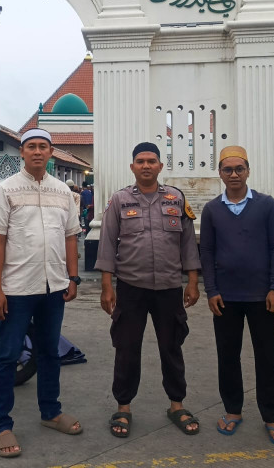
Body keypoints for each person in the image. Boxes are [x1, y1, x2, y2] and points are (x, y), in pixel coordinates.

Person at [0, 128, 82, 458]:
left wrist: (73, 277)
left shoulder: (62, 192)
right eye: (31, 147)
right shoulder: (5, 190)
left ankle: (51, 413)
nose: (37, 152)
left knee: (50, 353)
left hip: (53, 287)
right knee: (8, 356)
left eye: (43, 147)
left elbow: (70, 237)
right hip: (16, 289)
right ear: (21, 153)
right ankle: (2, 425)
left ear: (51, 153)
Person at [97, 142, 201, 439]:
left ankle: (177, 404)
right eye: (140, 161)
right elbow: (107, 243)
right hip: (131, 287)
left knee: (172, 346)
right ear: (132, 167)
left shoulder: (176, 198)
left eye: (151, 161)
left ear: (160, 166)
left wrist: (192, 281)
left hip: (169, 287)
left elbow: (187, 244)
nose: (145, 165)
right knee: (126, 348)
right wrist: (107, 285)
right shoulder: (119, 200)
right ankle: (124, 407)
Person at [199, 145, 274, 445]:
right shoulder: (212, 209)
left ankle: (272, 417)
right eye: (228, 169)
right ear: (220, 174)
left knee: (267, 358)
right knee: (228, 356)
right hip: (226, 297)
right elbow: (207, 251)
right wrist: (211, 291)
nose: (234, 174)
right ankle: (233, 410)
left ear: (248, 171)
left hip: (263, 297)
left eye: (239, 169)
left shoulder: (267, 205)